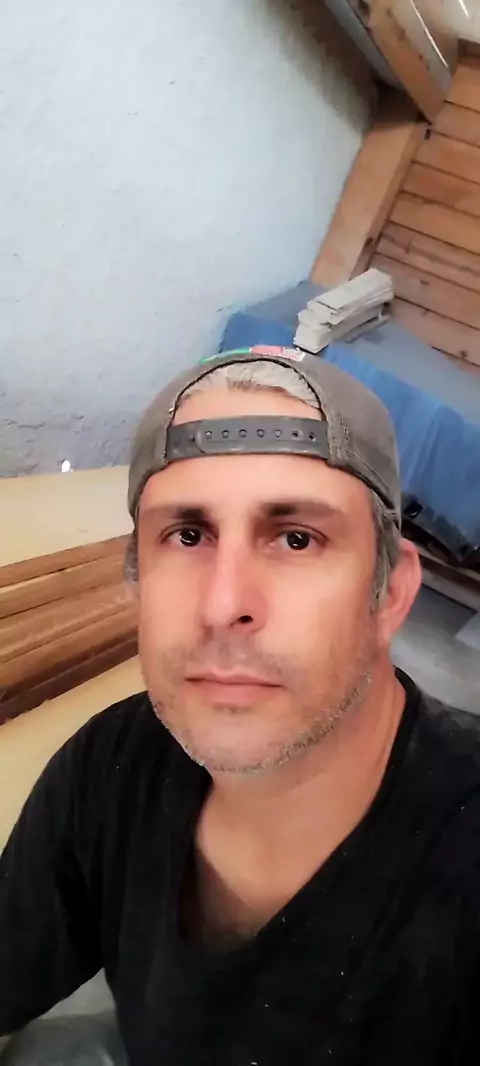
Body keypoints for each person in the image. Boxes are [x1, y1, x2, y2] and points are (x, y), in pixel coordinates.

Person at [1, 345, 479, 1066]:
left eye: (296, 538)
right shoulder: (109, 769)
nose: (223, 605)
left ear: (391, 593)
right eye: (187, 535)